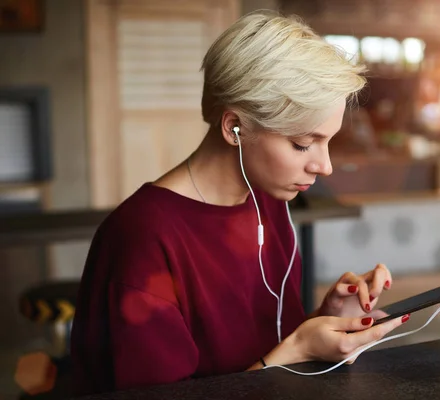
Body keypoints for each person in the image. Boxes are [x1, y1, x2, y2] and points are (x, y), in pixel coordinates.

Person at [70, 10, 409, 396]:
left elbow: (259, 352)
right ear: (235, 127)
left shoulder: (267, 200)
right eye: (302, 144)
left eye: (327, 141)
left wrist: (327, 320)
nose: (325, 166)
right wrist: (298, 348)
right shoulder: (141, 240)